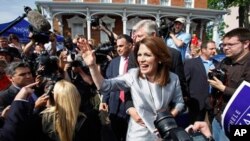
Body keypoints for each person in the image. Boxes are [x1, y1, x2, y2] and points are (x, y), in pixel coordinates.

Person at [80, 36, 184, 141]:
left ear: (159, 58)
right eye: (139, 55)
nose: (141, 60)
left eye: (147, 55)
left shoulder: (173, 78)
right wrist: (92, 66)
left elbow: (179, 102)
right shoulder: (133, 75)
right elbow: (104, 85)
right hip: (138, 136)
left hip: (163, 134)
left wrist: (167, 119)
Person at [127, 19, 190, 128]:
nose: (136, 40)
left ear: (153, 35)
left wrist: (170, 115)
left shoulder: (173, 55)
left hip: (165, 121)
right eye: (135, 36)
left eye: (140, 36)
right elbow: (128, 86)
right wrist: (131, 109)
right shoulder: (134, 55)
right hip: (140, 120)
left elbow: (181, 88)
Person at [208, 27, 250, 141]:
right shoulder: (225, 61)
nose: (225, 48)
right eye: (224, 44)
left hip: (237, 122)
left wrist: (223, 88)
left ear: (246, 44)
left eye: (230, 44)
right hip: (217, 117)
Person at [100, 34, 133, 141]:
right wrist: (104, 100)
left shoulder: (137, 62)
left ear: (130, 45)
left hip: (131, 106)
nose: (118, 49)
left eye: (121, 46)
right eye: (117, 46)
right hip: (115, 106)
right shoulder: (114, 62)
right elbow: (107, 82)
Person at [184, 40, 218, 123]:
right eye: (211, 49)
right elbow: (184, 81)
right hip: (196, 102)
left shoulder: (218, 64)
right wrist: (186, 98)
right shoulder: (191, 63)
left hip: (213, 102)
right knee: (194, 127)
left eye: (215, 49)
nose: (214, 51)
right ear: (203, 50)